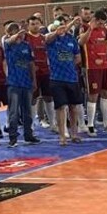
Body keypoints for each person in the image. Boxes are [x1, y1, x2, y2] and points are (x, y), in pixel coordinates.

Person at [79, 10, 107, 135]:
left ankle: (106, 123)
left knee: (106, 94)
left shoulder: (103, 30)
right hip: (92, 67)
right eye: (101, 23)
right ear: (95, 20)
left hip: (105, 66)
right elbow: (81, 42)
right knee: (93, 96)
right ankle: (90, 125)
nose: (103, 25)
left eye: (104, 23)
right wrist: (90, 29)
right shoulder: (84, 28)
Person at [45, 17, 85, 145]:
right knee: (61, 107)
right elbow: (46, 39)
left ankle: (74, 133)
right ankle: (62, 136)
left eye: (63, 25)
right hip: (57, 78)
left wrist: (68, 65)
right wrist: (58, 31)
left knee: (73, 107)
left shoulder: (71, 39)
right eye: (59, 26)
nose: (62, 28)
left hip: (71, 78)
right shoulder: (51, 39)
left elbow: (78, 57)